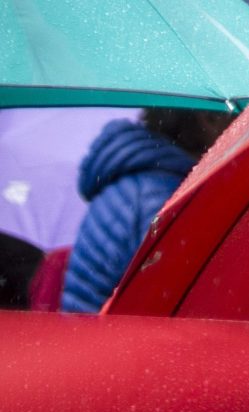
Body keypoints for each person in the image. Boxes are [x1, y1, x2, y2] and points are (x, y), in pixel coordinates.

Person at [61, 109, 228, 314]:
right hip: (116, 340)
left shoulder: (141, 181)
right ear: (210, 119)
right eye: (239, 117)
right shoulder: (164, 197)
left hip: (89, 336)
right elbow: (171, 306)